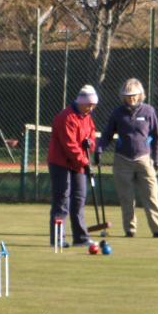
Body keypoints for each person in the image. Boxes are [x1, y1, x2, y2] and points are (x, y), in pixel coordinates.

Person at [96, 78, 158, 239]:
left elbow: (156, 137)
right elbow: (107, 134)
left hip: (144, 159)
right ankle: (130, 230)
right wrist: (99, 148)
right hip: (122, 159)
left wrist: (157, 158)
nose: (131, 98)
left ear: (140, 94)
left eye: (134, 95)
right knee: (126, 198)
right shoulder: (117, 113)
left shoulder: (149, 111)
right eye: (128, 95)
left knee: (151, 195)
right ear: (123, 96)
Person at [48, 85, 98, 248]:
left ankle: (81, 237)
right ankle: (58, 238)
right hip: (60, 163)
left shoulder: (87, 117)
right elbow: (69, 146)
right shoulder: (66, 117)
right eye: (88, 104)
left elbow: (91, 137)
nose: (91, 108)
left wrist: (89, 144)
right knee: (62, 200)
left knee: (79, 199)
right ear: (80, 102)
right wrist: (85, 162)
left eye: (93, 105)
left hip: (78, 164)